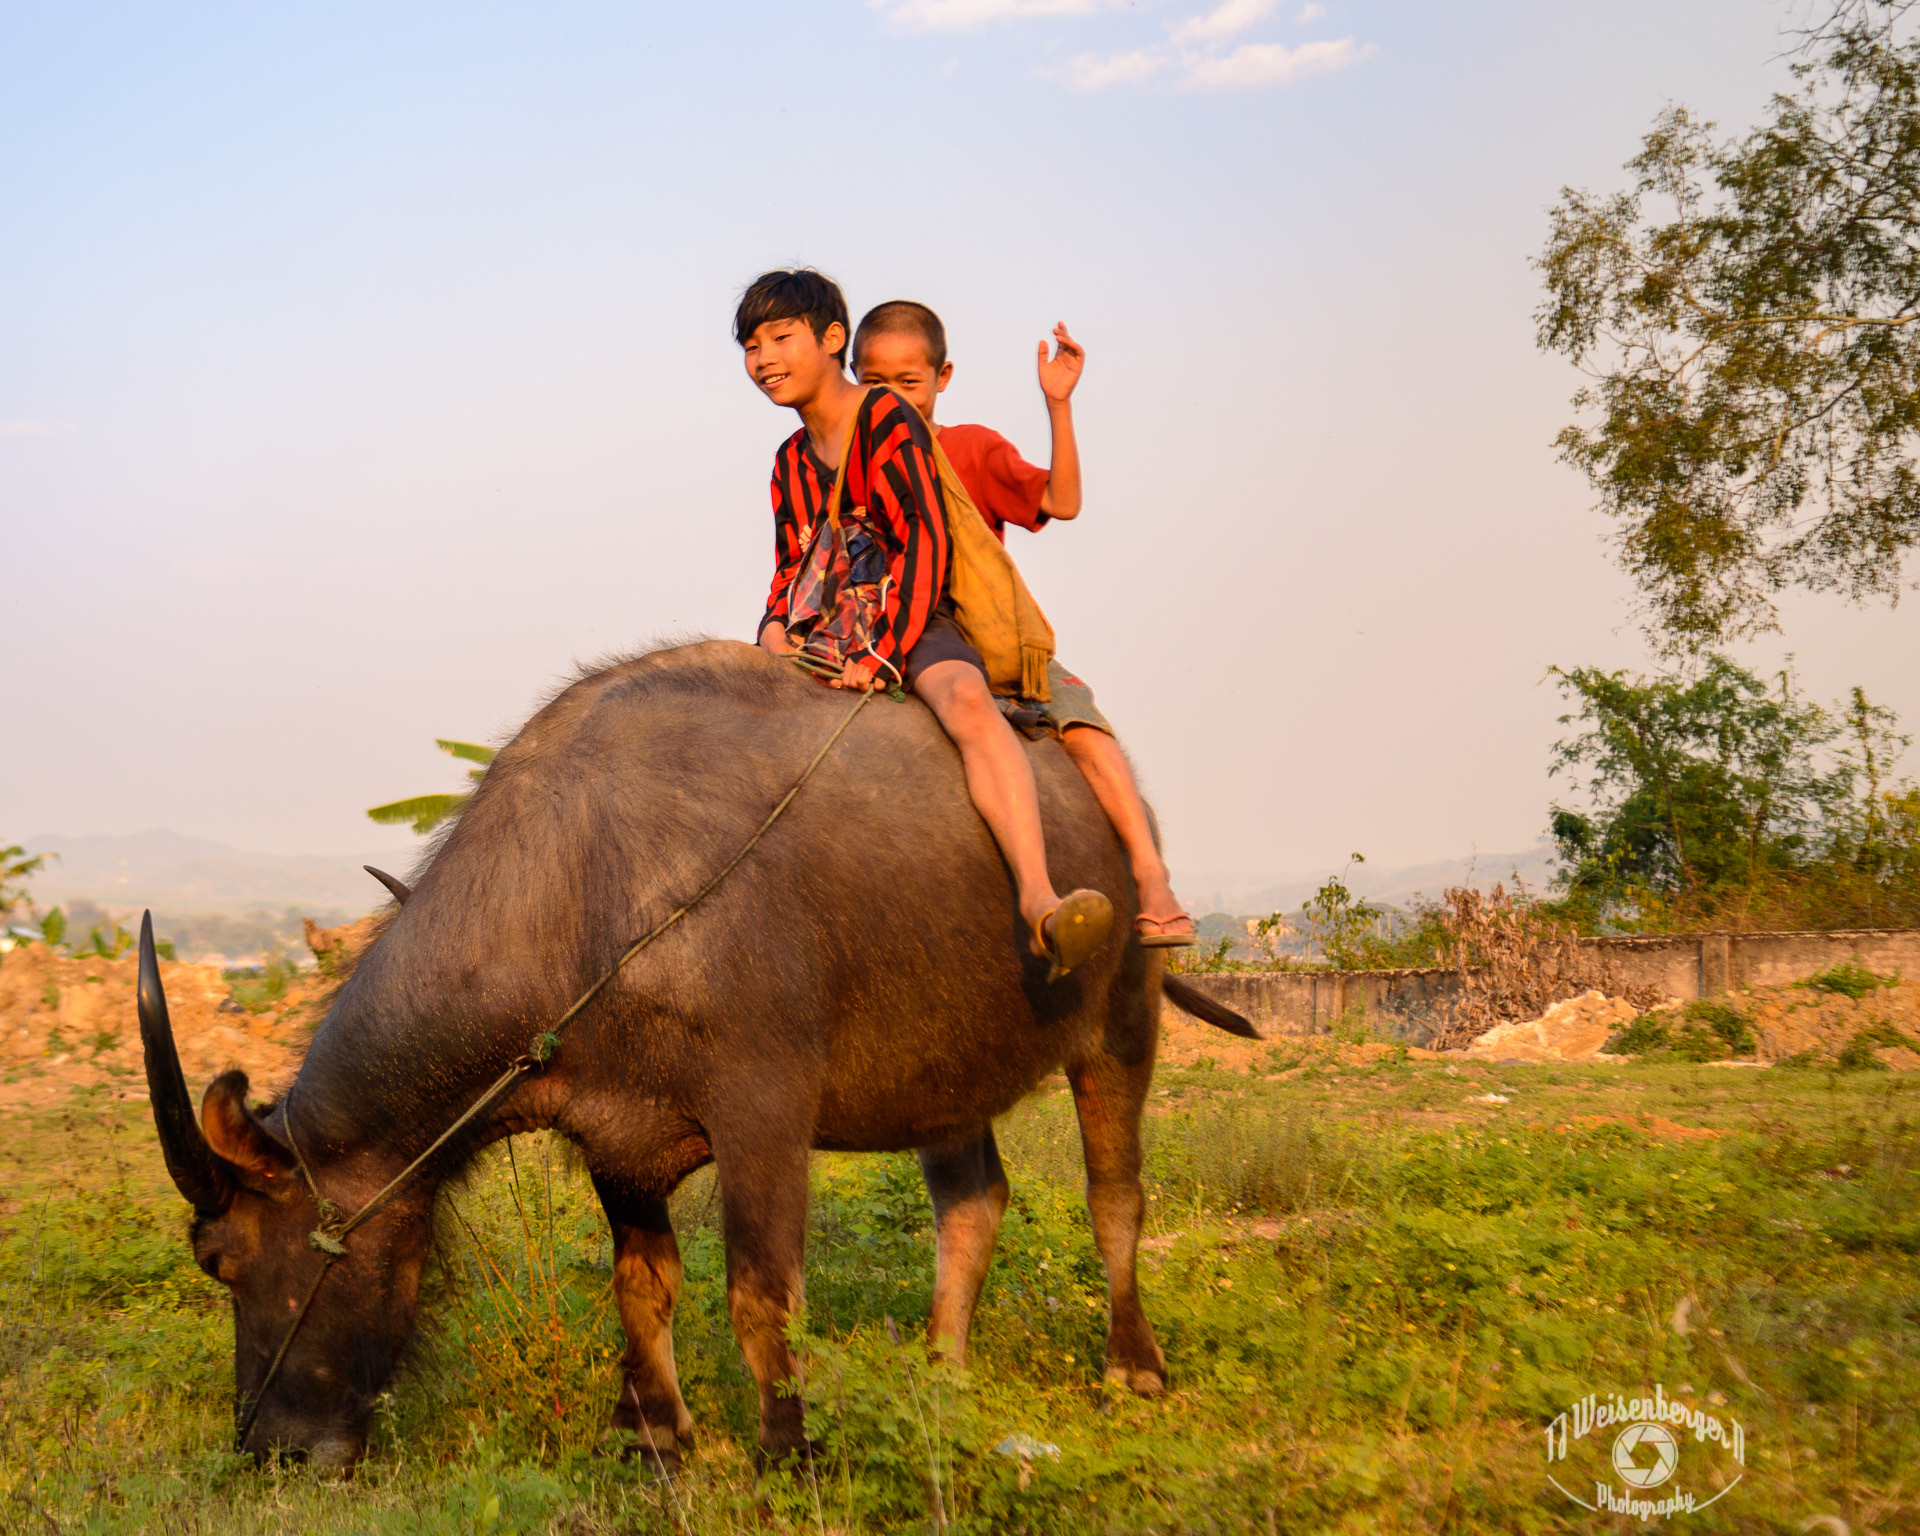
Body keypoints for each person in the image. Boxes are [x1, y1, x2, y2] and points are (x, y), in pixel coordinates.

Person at [736, 268, 1113, 980]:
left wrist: (884, 650)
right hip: (826, 632)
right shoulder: (788, 461)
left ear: (831, 339)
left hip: (908, 617)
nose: (764, 359)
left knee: (968, 704)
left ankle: (1039, 898)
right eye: (752, 345)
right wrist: (772, 637)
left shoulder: (887, 421)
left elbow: (923, 537)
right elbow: (791, 570)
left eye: (781, 338)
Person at [853, 300, 1194, 946]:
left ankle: (1152, 879)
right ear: (853, 380)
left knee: (1084, 728)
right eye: (875, 385)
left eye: (909, 383)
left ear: (942, 378)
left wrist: (1058, 405)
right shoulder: (844, 465)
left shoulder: (969, 448)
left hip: (988, 639)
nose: (893, 398)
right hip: (890, 636)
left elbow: (1061, 502)